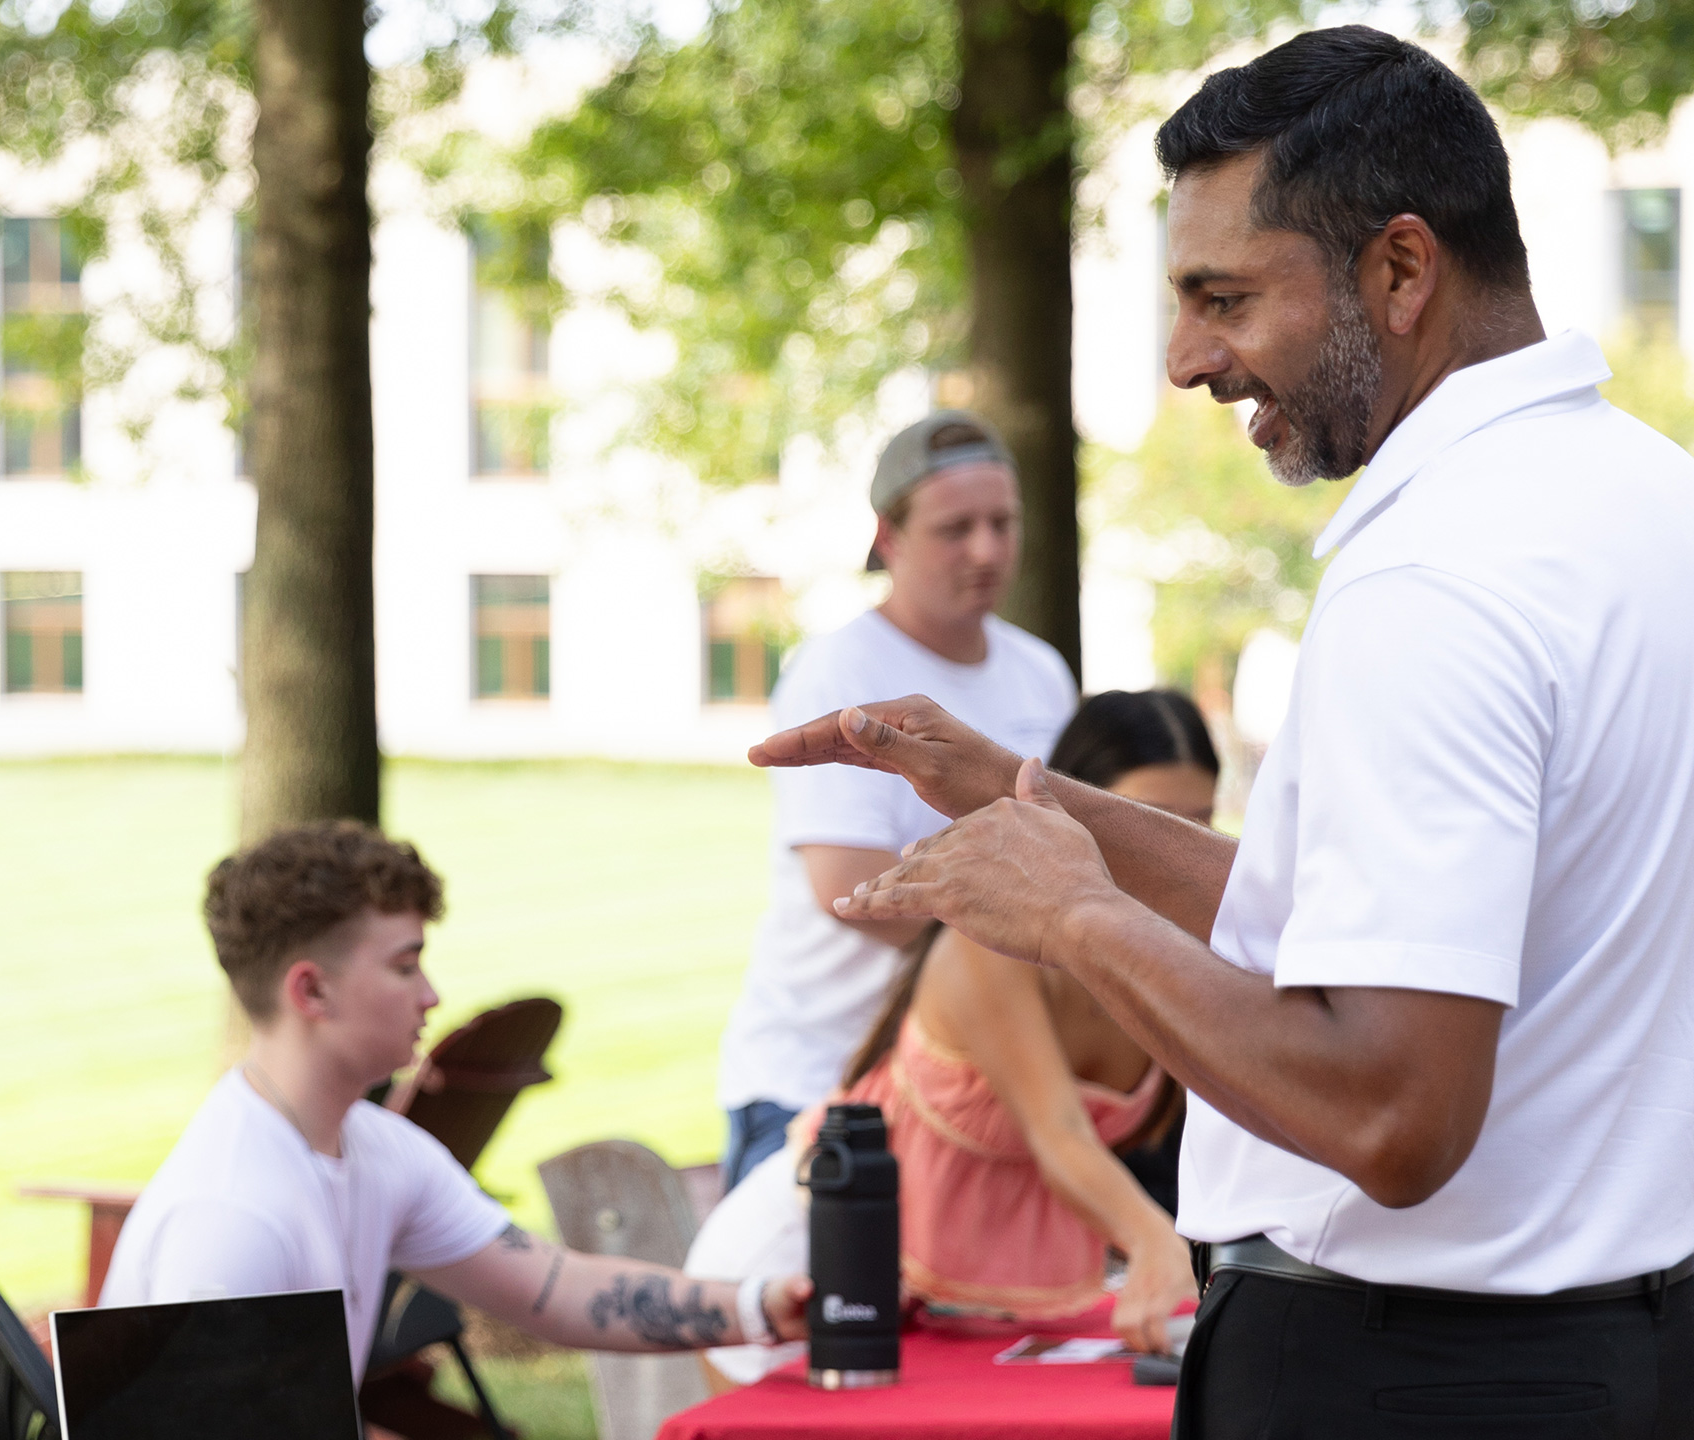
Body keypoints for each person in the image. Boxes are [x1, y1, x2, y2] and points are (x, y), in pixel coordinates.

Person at [753, 26, 1694, 1431]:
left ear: (1399, 268)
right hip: (1620, 1353)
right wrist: (1038, 803)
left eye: (1223, 297)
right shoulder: (1646, 497)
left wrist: (1076, 919)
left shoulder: (1431, 574)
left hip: (1407, 1376)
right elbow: (1386, 925)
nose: (1189, 358)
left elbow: (1394, 1115)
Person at [101, 820, 811, 1399]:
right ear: (311, 992)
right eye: (405, 966)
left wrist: (762, 1304)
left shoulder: (372, 1145)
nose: (431, 995)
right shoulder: (232, 1222)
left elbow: (553, 1287)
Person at [687, 691, 1216, 1382]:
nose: (1166, 855)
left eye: (1198, 826)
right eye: (1148, 824)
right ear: (1068, 816)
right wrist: (1157, 1243)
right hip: (809, 1262)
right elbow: (1059, 1135)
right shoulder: (995, 940)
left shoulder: (1182, 943)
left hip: (962, 1303)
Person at [716, 409, 1076, 1187]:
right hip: (821, 1084)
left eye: (1002, 523)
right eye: (956, 528)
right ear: (889, 537)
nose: (986, 550)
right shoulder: (840, 673)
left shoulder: (1041, 673)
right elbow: (853, 889)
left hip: (972, 1084)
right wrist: (1055, 929)